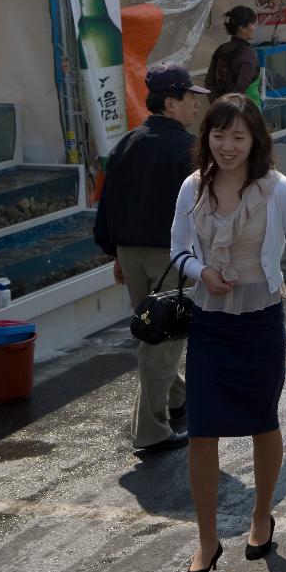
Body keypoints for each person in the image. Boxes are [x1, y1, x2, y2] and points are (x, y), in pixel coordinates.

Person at [170, 95, 286, 572]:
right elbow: (178, 249)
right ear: (205, 137)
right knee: (201, 432)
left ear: (255, 141)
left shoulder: (279, 191)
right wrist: (202, 270)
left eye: (238, 137)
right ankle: (207, 541)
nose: (227, 146)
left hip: (260, 322)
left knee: (262, 422)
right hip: (209, 323)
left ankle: (260, 515)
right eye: (218, 135)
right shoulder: (193, 187)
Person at [94, 64, 208, 454]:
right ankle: (150, 430)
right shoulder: (186, 149)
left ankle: (178, 399)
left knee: (155, 333)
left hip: (129, 250)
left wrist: (114, 252)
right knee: (162, 341)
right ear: (172, 102)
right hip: (170, 257)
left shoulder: (127, 143)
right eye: (191, 98)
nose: (196, 105)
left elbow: (108, 203)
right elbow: (200, 212)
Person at [204, 6, 260, 102]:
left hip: (220, 110)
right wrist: (231, 109)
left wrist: (217, 105)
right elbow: (241, 88)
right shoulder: (248, 53)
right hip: (246, 111)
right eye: (252, 24)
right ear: (242, 28)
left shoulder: (220, 50)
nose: (255, 28)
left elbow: (209, 83)